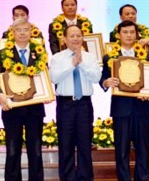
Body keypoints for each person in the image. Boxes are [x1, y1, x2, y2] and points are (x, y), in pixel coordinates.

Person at [0, 18, 48, 181]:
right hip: (12, 108)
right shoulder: (4, 54)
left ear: (31, 32)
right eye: (19, 30)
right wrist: (0, 96)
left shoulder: (40, 52)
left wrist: (46, 92)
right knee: (12, 149)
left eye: (26, 29)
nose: (22, 33)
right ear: (12, 32)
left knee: (36, 149)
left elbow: (45, 76)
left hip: (34, 108)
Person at [100, 20, 149, 181]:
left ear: (137, 34)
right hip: (121, 109)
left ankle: (142, 178)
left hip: (142, 108)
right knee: (121, 150)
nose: (129, 35)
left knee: (143, 149)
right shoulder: (109, 56)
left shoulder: (147, 55)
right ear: (118, 35)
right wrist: (105, 82)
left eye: (132, 32)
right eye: (125, 32)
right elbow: (103, 78)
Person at [50, 25, 101, 181]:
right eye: (71, 36)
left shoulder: (91, 57)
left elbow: (96, 78)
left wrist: (81, 62)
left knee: (85, 143)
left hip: (84, 104)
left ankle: (85, 177)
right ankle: (67, 177)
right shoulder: (57, 58)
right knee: (66, 144)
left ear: (82, 37)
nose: (75, 39)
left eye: (78, 35)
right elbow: (54, 78)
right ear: (64, 39)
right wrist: (72, 64)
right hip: (65, 104)